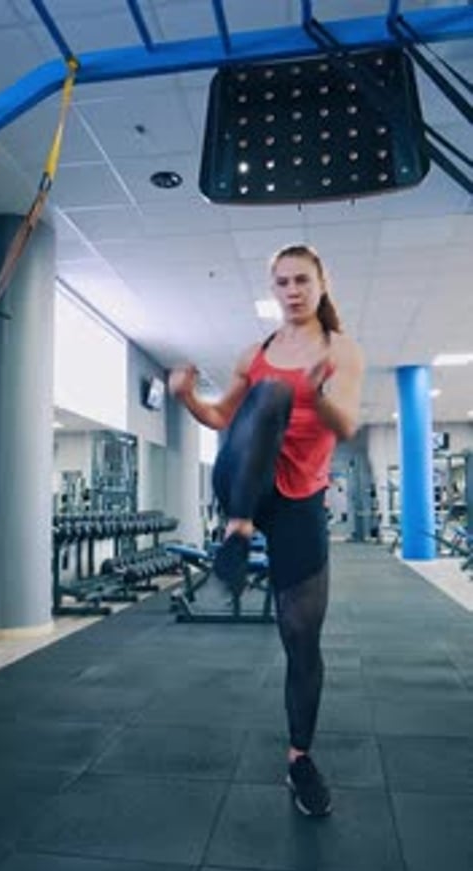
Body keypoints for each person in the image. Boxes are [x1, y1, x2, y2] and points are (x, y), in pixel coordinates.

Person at [169, 244, 364, 817]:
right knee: (273, 392)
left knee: (302, 639)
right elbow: (221, 418)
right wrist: (186, 396)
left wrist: (321, 392)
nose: (292, 291)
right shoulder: (255, 353)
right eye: (282, 282)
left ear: (322, 283)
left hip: (301, 500)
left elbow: (345, 425)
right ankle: (237, 527)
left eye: (302, 280)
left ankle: (300, 758)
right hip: (243, 481)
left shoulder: (342, 351)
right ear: (273, 289)